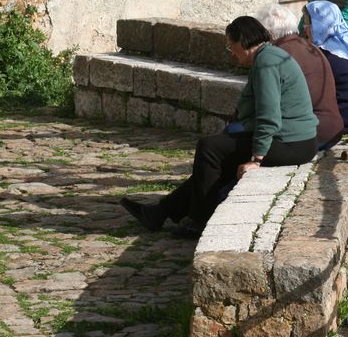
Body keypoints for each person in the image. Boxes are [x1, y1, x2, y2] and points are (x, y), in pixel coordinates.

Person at [121, 16, 318, 238]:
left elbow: (269, 116)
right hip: (295, 139)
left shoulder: (266, 62)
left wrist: (256, 159)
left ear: (242, 41)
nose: (231, 52)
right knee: (218, 154)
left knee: (210, 148)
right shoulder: (268, 56)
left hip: (292, 143)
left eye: (230, 45)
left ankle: (199, 220)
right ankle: (160, 212)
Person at [256, 3, 343, 149]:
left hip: (310, 134)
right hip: (334, 129)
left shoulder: (276, 55)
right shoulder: (311, 47)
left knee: (236, 132)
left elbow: (267, 107)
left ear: (268, 34)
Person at [303, 0, 348, 134]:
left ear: (317, 27)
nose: (304, 30)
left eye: (307, 25)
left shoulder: (326, 54)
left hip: (347, 122)